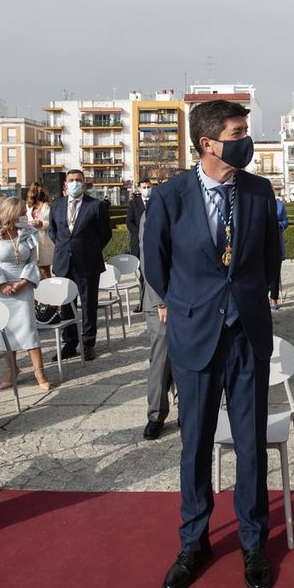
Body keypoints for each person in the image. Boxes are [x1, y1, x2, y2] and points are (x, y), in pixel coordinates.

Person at [143, 99, 281, 588]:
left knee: (250, 444)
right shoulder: (169, 196)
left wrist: (248, 299)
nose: (247, 140)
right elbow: (155, 265)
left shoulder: (259, 191)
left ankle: (253, 543)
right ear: (208, 143)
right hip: (195, 336)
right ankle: (193, 542)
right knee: (195, 444)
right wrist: (191, 305)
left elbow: (270, 257)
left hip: (247, 334)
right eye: (237, 132)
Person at [0, 197, 51, 391]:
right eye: (20, 213)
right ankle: (12, 370)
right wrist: (1, 283)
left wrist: (24, 281)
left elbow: (33, 260)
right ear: (10, 213)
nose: (23, 216)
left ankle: (39, 372)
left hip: (22, 285)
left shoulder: (27, 232)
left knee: (28, 328)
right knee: (6, 332)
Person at [48, 169, 112, 361]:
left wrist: (88, 249)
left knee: (88, 303)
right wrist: (65, 247)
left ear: (84, 183)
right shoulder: (56, 205)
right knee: (66, 304)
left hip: (87, 262)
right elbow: (53, 231)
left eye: (78, 180)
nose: (74, 183)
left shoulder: (95, 205)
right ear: (65, 184)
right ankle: (70, 342)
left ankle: (88, 342)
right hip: (63, 262)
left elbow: (105, 233)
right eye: (71, 180)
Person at [139, 177, 171, 440]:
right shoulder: (152, 213)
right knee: (161, 360)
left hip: (188, 300)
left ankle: (191, 411)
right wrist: (162, 301)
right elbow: (150, 260)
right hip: (160, 302)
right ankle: (156, 416)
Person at [125, 178, 152, 312]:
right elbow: (129, 223)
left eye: (148, 187)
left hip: (154, 244)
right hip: (139, 244)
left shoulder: (156, 201)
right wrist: (141, 233)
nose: (146, 189)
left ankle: (155, 303)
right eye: (144, 187)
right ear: (139, 189)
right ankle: (142, 303)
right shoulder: (133, 203)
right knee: (142, 276)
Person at [25, 183, 55, 279]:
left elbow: (54, 223)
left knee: (44, 271)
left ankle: (48, 287)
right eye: (36, 191)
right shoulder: (28, 207)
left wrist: (42, 224)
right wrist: (28, 224)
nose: (39, 193)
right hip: (31, 241)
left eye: (41, 191)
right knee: (32, 270)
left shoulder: (49, 206)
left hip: (44, 240)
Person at [270, 196, 289, 310]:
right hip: (259, 243)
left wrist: (279, 225)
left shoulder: (279, 206)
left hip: (275, 242)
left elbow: (285, 221)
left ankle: (274, 298)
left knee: (275, 272)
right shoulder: (256, 203)